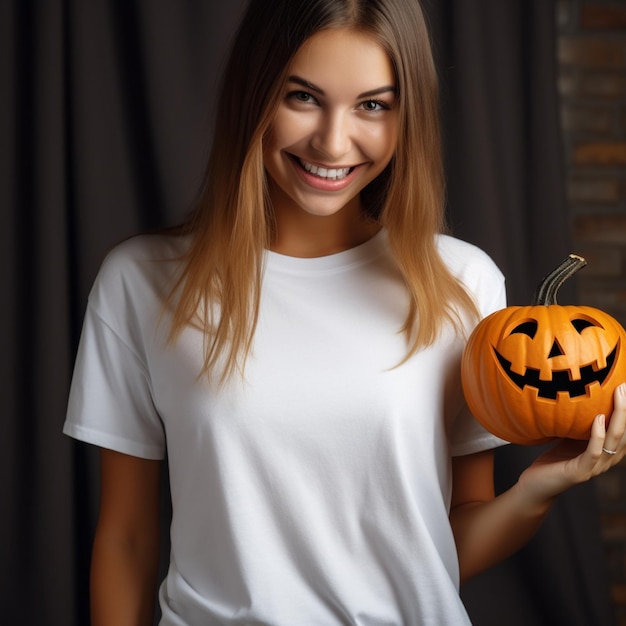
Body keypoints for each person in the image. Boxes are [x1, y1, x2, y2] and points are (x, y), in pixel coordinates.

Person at [63, 0, 626, 624]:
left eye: (373, 105)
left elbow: (442, 548)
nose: (333, 141)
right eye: (301, 97)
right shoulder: (142, 281)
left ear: (406, 115)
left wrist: (540, 488)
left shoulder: (461, 283)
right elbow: (126, 540)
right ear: (253, 94)